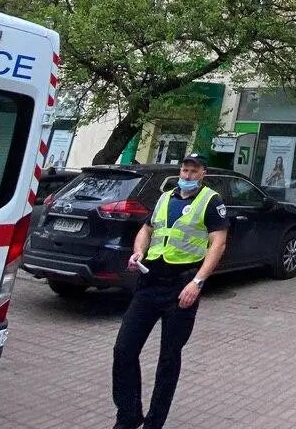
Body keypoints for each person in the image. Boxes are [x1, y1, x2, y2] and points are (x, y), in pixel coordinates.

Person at [112, 154, 229, 429]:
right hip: (150, 282)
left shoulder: (211, 201)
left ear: (203, 174)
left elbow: (218, 244)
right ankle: (128, 416)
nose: (187, 175)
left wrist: (197, 282)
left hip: (182, 287)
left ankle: (154, 422)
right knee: (124, 349)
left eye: (193, 171)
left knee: (168, 358)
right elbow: (146, 229)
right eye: (184, 170)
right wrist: (138, 252)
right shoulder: (165, 198)